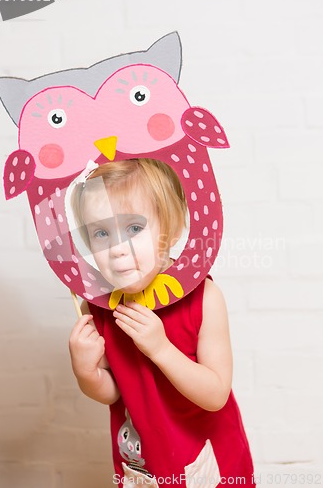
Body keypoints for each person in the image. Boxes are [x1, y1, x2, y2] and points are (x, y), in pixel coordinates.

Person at [69, 158, 255, 487]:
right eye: (101, 233)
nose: (117, 250)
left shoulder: (203, 298)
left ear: (169, 230)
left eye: (134, 228)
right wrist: (88, 373)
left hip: (207, 455)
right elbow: (115, 393)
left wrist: (160, 348)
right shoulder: (97, 308)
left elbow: (215, 395)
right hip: (148, 462)